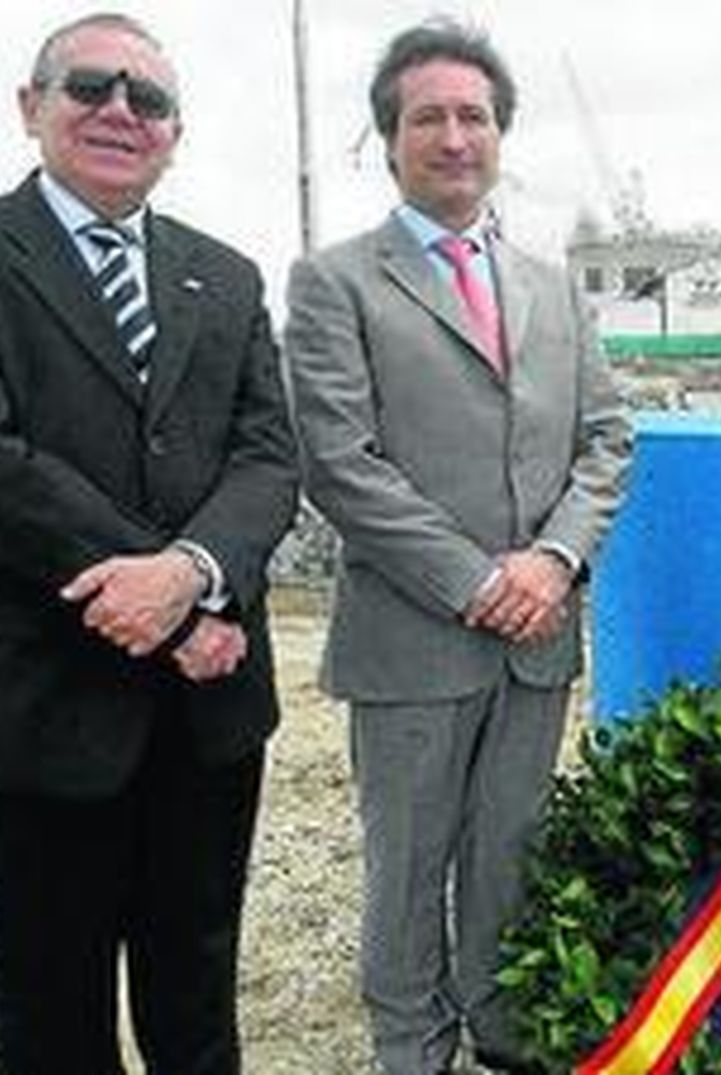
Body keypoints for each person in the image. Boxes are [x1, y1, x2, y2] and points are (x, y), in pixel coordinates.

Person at [0, 13, 299, 1074]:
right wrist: (179, 610)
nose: (121, 110)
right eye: (90, 86)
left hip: (208, 719)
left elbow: (267, 459)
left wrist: (195, 578)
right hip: (39, 710)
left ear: (176, 132)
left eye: (149, 98)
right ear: (32, 108)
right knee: (48, 1019)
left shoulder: (230, 274)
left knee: (198, 1004)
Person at [283, 18, 632, 1075]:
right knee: (407, 865)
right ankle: (411, 1044)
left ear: (499, 135)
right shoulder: (332, 281)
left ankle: (502, 1026)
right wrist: (481, 580)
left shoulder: (550, 283)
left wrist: (555, 561)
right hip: (414, 637)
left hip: (538, 634)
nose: (452, 136)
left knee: (509, 853)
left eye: (471, 115)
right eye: (426, 116)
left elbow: (606, 438)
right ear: (388, 138)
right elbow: (342, 465)